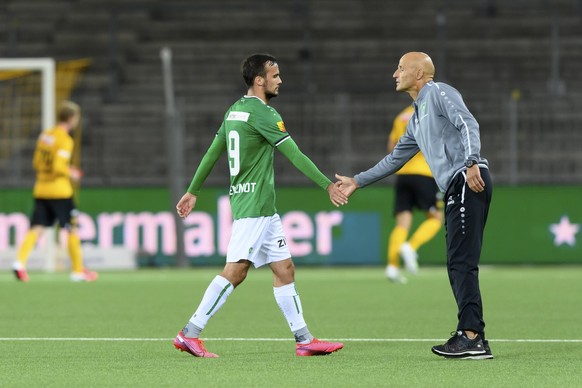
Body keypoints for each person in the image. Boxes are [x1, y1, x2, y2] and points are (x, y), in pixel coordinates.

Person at [173, 53, 347, 358]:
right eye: (275, 75)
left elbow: (213, 152)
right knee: (236, 271)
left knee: (284, 269)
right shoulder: (264, 114)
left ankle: (304, 340)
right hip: (254, 206)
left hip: (262, 208)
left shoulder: (234, 110)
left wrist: (193, 190)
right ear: (259, 80)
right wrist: (327, 185)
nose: (280, 80)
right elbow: (294, 154)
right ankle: (190, 333)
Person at [335, 52, 493, 360]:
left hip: (467, 178)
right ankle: (474, 336)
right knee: (458, 261)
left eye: (400, 68)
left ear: (419, 73)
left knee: (461, 262)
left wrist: (472, 161)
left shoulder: (438, 91)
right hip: (456, 185)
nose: (395, 73)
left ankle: (471, 336)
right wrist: (357, 180)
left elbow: (467, 123)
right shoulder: (417, 115)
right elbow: (394, 159)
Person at [13, 101, 98, 282]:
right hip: (60, 191)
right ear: (71, 118)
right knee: (72, 228)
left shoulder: (45, 135)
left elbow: (36, 163)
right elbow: (59, 166)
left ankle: (19, 263)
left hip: (41, 189)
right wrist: (72, 172)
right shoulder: (65, 140)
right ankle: (77, 271)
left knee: (36, 228)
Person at [385, 105, 443, 283]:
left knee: (402, 222)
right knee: (436, 218)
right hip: (424, 173)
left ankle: (392, 267)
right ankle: (411, 247)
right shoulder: (431, 113)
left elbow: (391, 147)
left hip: (403, 174)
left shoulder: (401, 116)